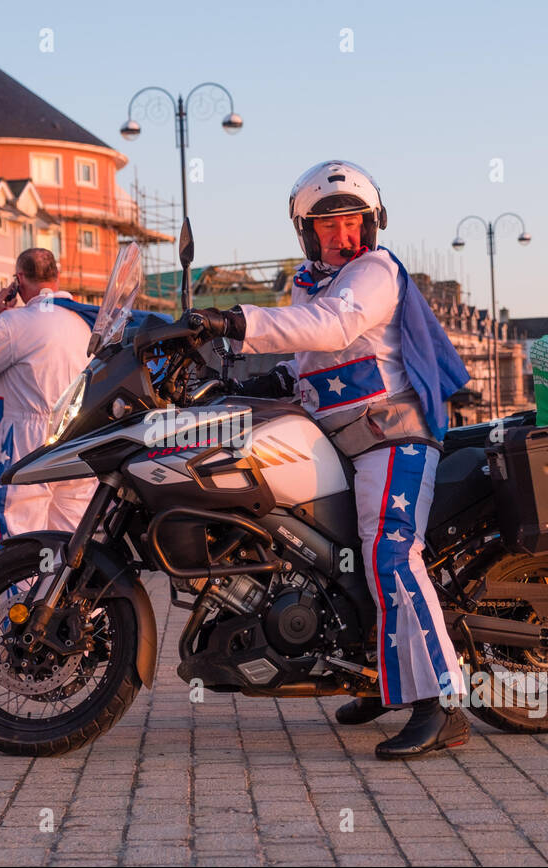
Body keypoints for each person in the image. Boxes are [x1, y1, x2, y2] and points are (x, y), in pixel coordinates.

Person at [187, 160, 472, 760]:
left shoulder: (375, 271)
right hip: (342, 442)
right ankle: (374, 677)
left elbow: (334, 327)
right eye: (328, 225)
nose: (342, 235)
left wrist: (235, 321)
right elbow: (309, 359)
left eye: (353, 223)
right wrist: (246, 379)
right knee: (328, 558)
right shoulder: (310, 282)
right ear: (307, 233)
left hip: (391, 437)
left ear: (372, 225)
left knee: (390, 553)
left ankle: (443, 705)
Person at [0, 248, 96, 547]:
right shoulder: (85, 322)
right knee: (71, 536)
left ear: (18, 281)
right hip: (78, 436)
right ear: (57, 277)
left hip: (27, 440)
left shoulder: (15, 323)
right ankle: (67, 593)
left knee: (20, 533)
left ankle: (21, 595)